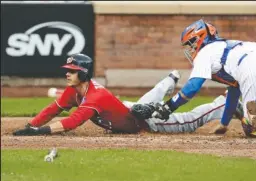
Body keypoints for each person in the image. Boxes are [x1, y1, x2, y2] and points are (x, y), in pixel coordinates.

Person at [12, 53, 243, 136]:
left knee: (190, 120)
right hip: (128, 109)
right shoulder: (74, 92)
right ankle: (170, 80)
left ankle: (223, 103)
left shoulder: (95, 96)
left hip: (145, 123)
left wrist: (40, 132)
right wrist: (31, 124)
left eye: (72, 72)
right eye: (68, 71)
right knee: (146, 101)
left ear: (84, 73)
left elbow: (72, 122)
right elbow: (53, 109)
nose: (68, 75)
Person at [150, 18, 256, 138]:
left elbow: (193, 86)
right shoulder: (227, 46)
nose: (191, 49)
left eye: (191, 43)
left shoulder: (205, 52)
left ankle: (255, 117)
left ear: (201, 38)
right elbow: (234, 90)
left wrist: (169, 106)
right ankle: (255, 115)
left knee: (252, 128)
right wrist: (224, 124)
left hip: (252, 66)